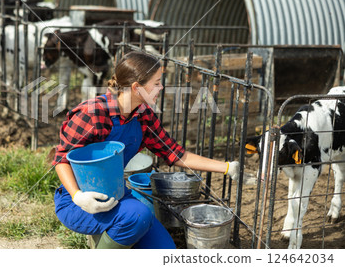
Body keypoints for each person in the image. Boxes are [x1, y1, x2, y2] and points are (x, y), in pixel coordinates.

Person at [52, 51, 252, 249]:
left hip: (116, 195)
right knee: (138, 216)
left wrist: (228, 167)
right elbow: (61, 159)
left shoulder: (143, 116)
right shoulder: (92, 113)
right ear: (137, 87)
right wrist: (79, 196)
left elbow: (174, 153)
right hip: (77, 201)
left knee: (165, 250)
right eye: (156, 83)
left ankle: (113, 236)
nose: (161, 87)